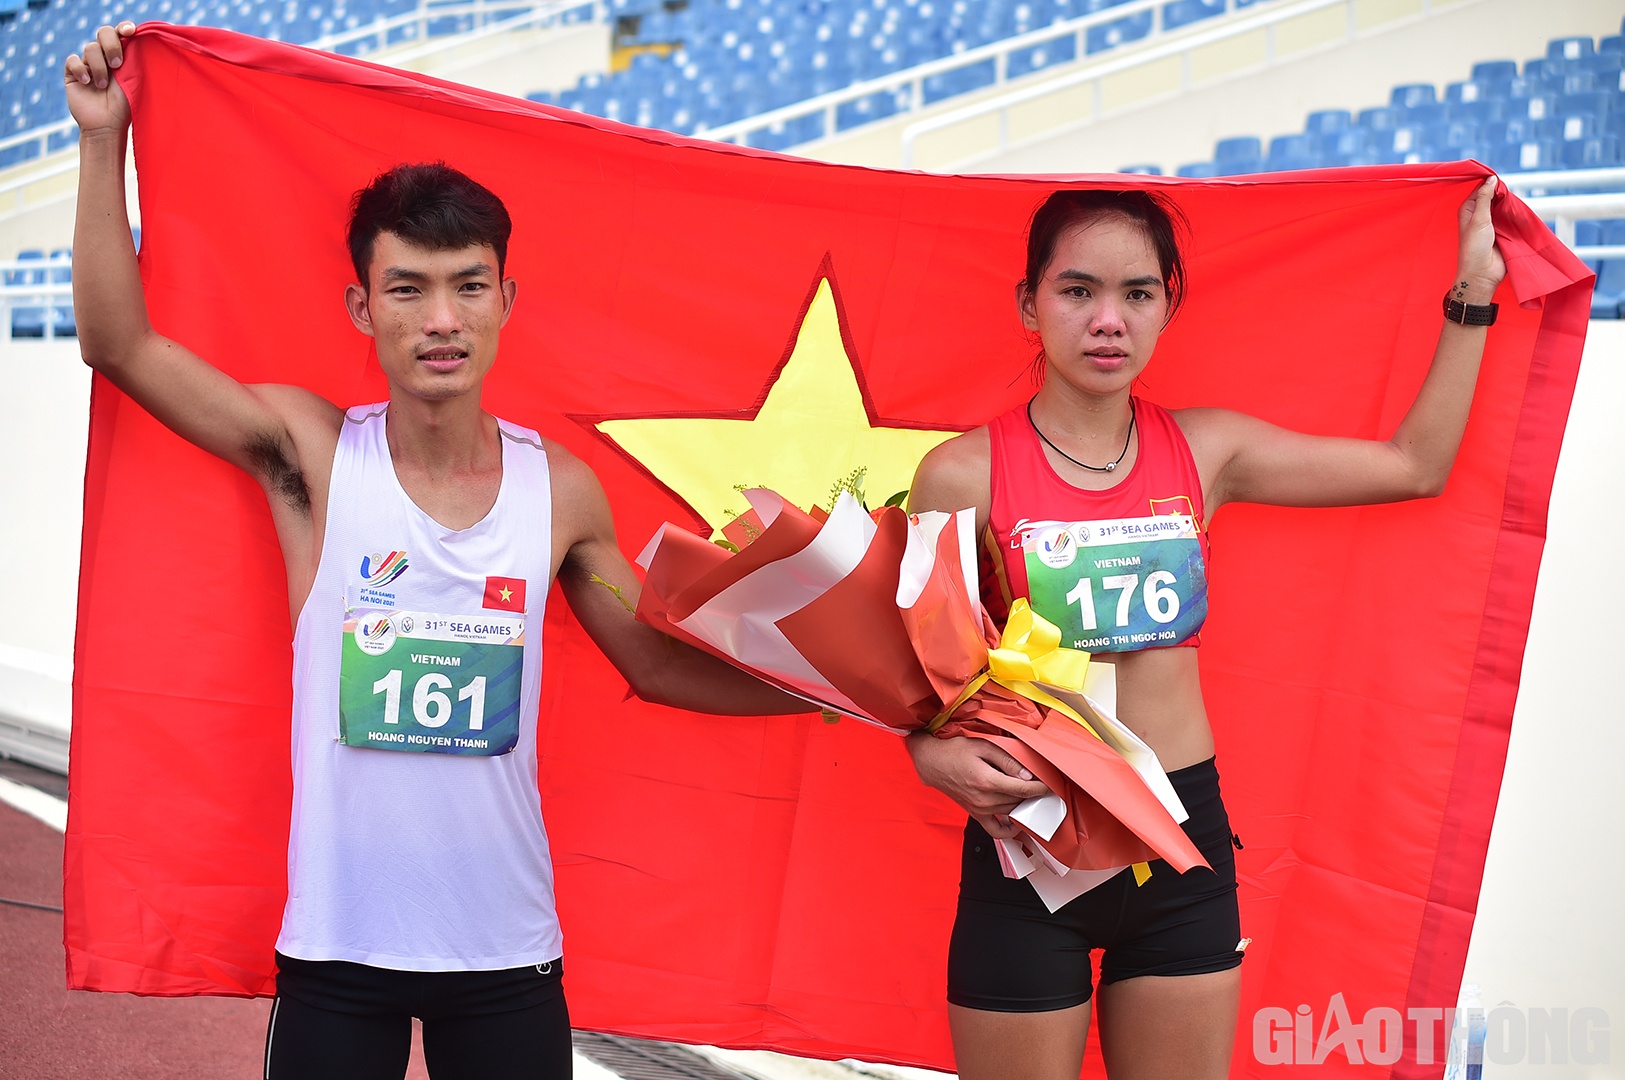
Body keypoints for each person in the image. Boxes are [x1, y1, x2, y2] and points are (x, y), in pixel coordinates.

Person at [66, 23, 807, 1080]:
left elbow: (653, 660)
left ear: (507, 302)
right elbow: (120, 345)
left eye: (467, 285)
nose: (440, 319)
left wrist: (836, 691)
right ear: (361, 308)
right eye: (407, 289)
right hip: (338, 951)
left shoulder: (557, 492)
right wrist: (103, 143)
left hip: (505, 955)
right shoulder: (309, 456)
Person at [905, 182, 1505, 1079]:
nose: (1108, 320)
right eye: (1077, 291)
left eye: (1137, 294)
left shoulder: (1209, 451)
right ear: (1029, 304)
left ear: (1166, 306)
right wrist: (924, 750)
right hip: (1032, 841)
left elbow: (1411, 467)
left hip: (1181, 839)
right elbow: (908, 674)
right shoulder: (959, 474)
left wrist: (1473, 292)